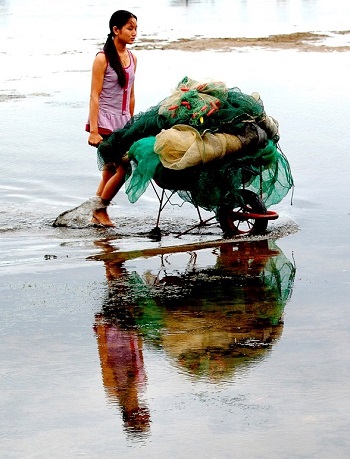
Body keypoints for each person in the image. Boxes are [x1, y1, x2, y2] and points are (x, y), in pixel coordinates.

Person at [86, 10, 137, 227]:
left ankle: (95, 214)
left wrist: (132, 124)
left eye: (136, 29)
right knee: (124, 168)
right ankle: (100, 210)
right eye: (129, 28)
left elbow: (132, 94)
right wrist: (95, 130)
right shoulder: (102, 58)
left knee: (108, 171)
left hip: (124, 123)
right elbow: (94, 96)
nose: (134, 33)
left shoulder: (133, 58)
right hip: (106, 123)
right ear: (115, 30)